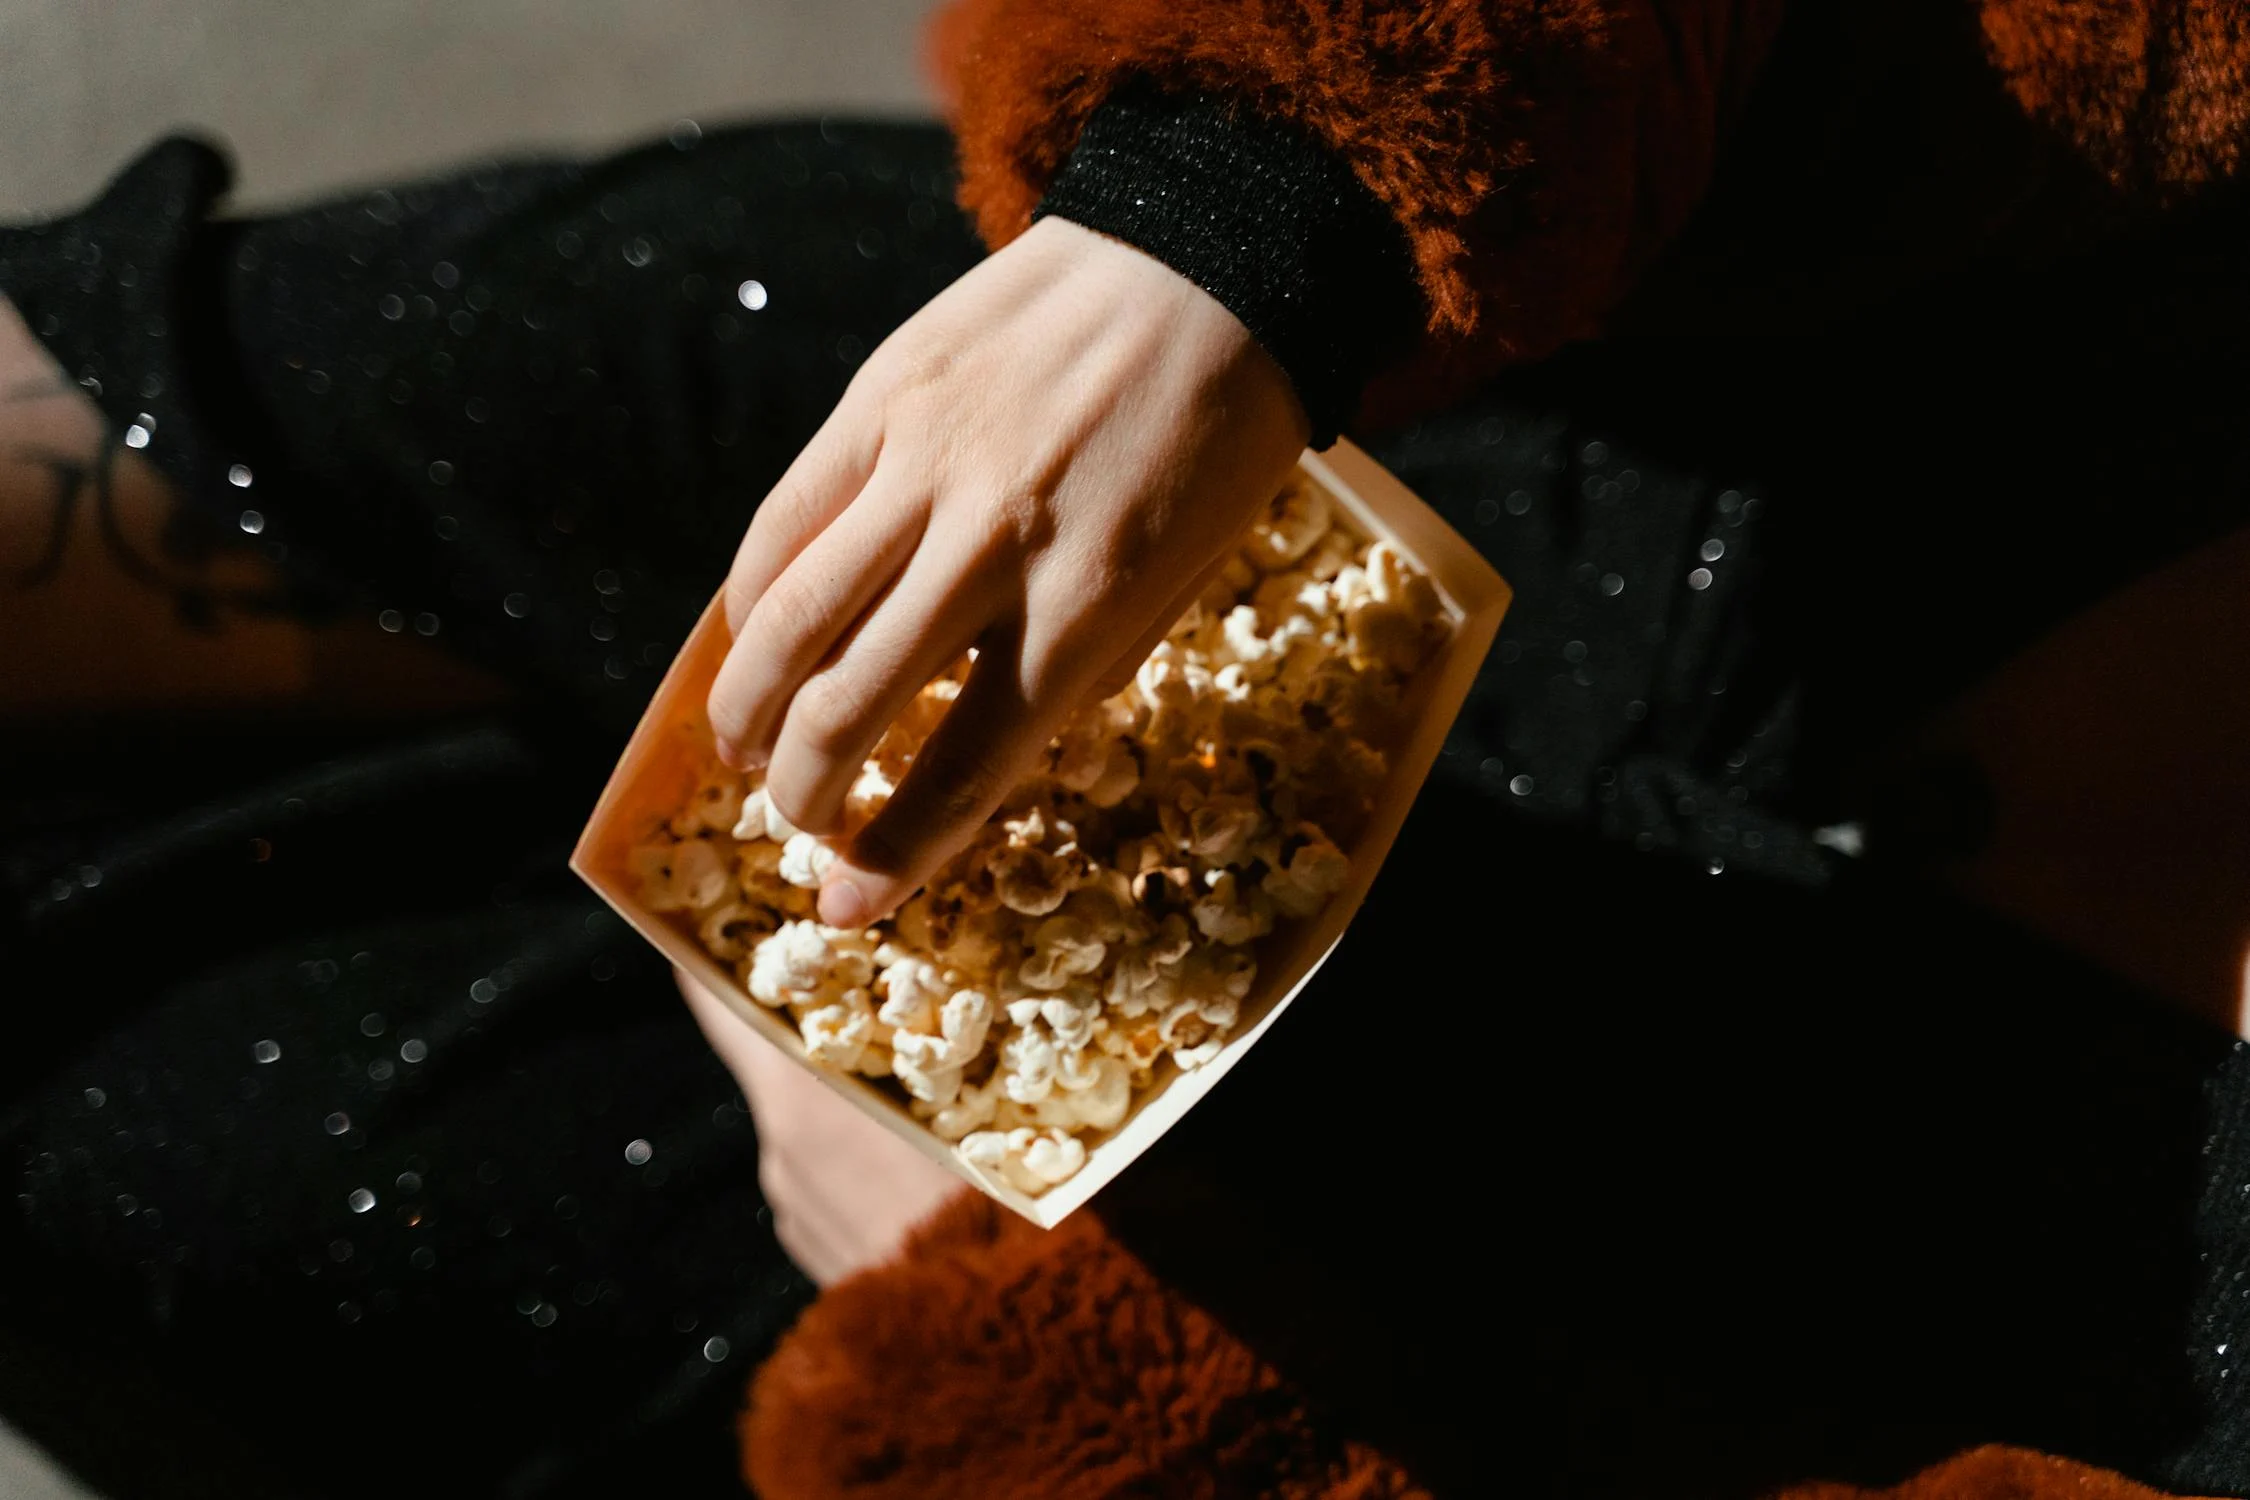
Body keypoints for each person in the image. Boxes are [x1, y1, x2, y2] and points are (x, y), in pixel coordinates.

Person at [10, 0, 2250, 1495]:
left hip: (1181, 1279)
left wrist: (1028, 1393)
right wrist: (1249, 200)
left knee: (95, 1178)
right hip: (1180, 443)